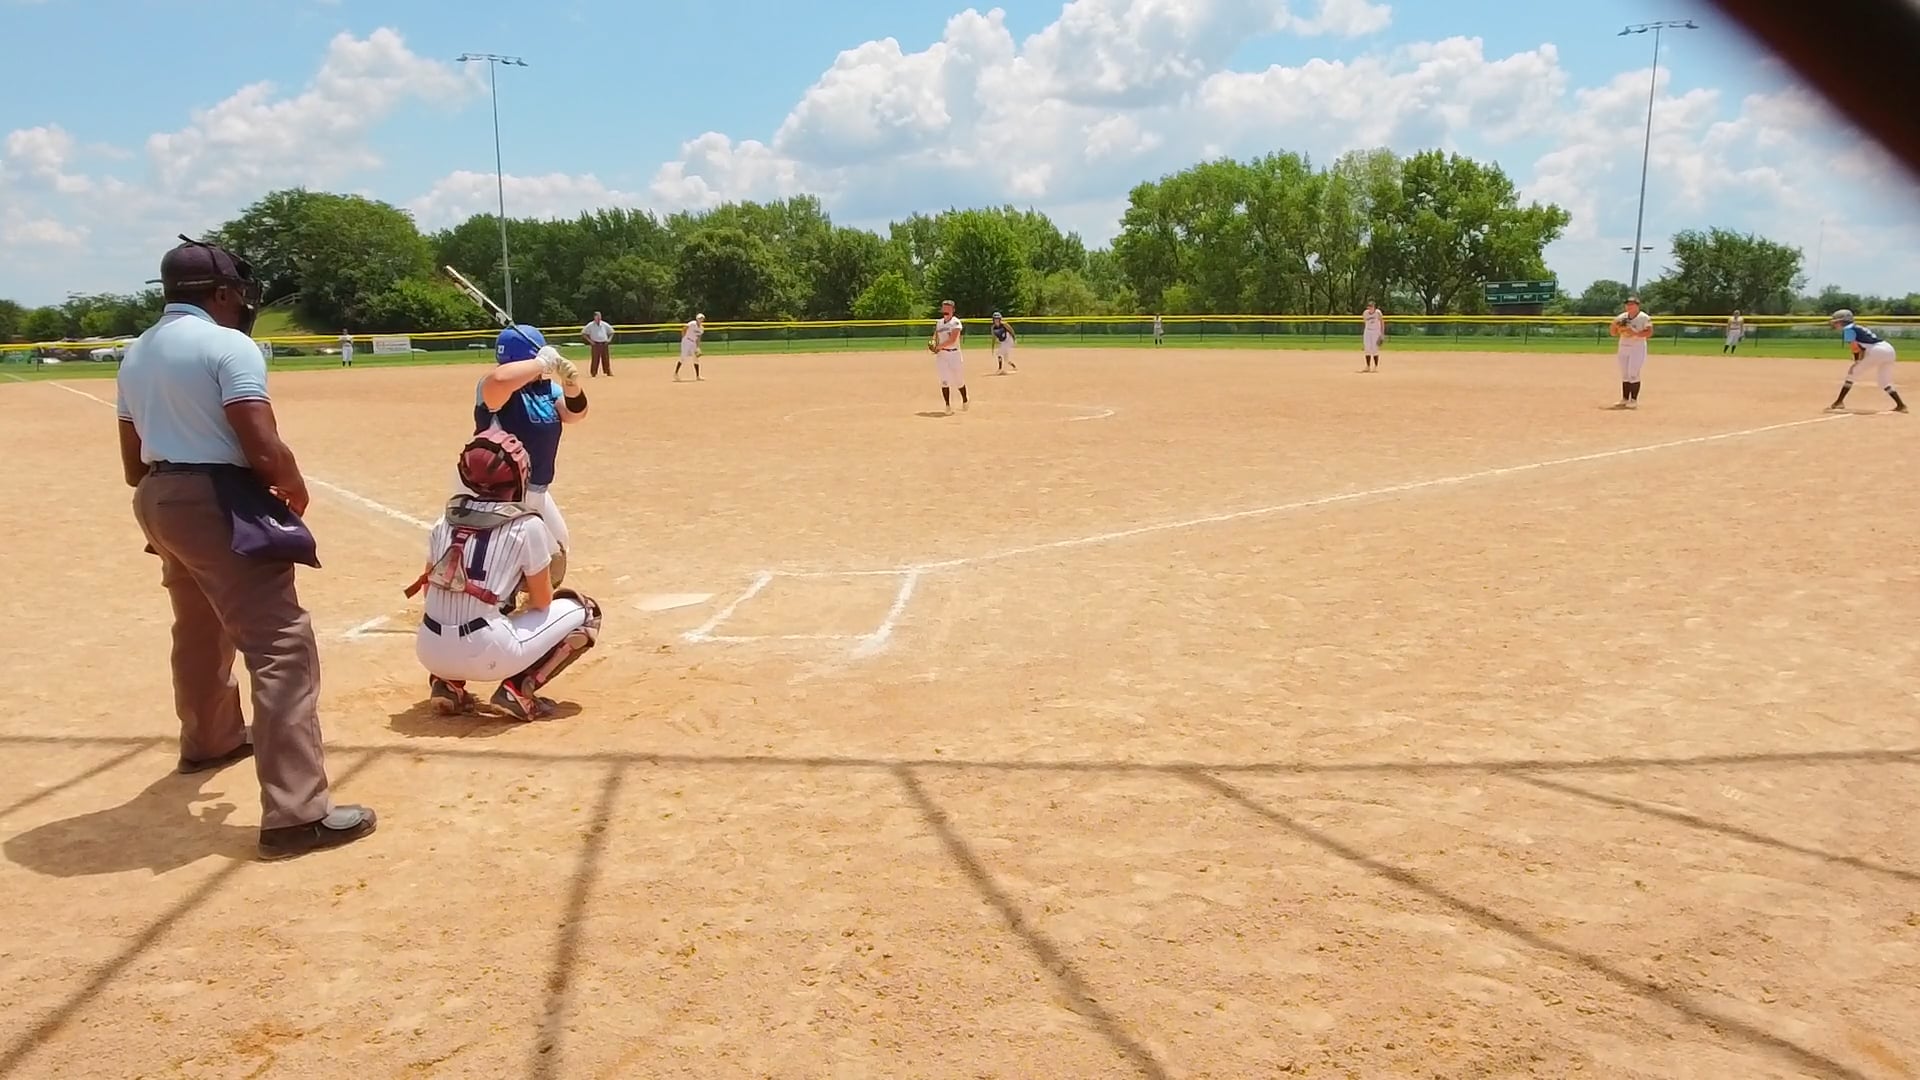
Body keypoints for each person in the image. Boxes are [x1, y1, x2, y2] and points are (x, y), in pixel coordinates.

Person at [115, 235, 376, 860]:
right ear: (222, 293)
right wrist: (292, 484)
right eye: (238, 292)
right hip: (217, 499)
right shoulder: (228, 345)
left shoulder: (136, 352)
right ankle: (296, 813)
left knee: (198, 624)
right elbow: (260, 442)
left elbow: (131, 464)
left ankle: (209, 738)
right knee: (281, 644)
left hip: (156, 497)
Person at [409, 429, 603, 720]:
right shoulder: (527, 525)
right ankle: (519, 689)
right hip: (488, 654)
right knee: (587, 612)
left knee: (479, 602)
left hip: (429, 650)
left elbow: (429, 590)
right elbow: (542, 601)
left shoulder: (445, 520)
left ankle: (446, 683)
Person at [472, 324, 588, 589]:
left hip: (536, 488)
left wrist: (571, 385)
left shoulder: (546, 390)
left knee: (557, 548)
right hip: (502, 491)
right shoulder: (492, 388)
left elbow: (575, 414)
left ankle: (519, 592)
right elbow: (500, 380)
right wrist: (542, 362)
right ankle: (500, 597)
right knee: (527, 554)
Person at [1826, 309, 1908, 413]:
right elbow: (1863, 347)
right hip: (1889, 349)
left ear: (1842, 321)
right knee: (1884, 381)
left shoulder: (1848, 330)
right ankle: (1901, 405)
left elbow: (1855, 348)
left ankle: (1839, 402)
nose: (1835, 324)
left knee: (1852, 373)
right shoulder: (1857, 327)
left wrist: (1856, 361)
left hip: (1877, 351)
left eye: (1836, 322)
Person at [1608, 296, 1655, 409]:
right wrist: (1615, 326)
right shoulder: (1621, 317)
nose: (1629, 306)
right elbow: (1613, 333)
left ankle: (1633, 400)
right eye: (1627, 304)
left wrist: (1634, 333)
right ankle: (1624, 399)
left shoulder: (1643, 317)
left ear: (1637, 306)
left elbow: (1649, 333)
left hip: (1637, 347)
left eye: (1632, 304)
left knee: (1633, 373)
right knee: (1625, 374)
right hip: (1623, 346)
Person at [932, 299, 968, 413]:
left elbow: (952, 340)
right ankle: (947, 405)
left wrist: (938, 347)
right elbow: (935, 336)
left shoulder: (955, 323)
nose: (945, 311)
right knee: (944, 380)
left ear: (953, 310)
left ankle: (965, 400)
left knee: (959, 381)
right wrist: (933, 343)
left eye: (948, 308)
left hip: (954, 354)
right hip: (942, 355)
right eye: (944, 308)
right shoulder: (939, 323)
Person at [583, 312, 614, 378]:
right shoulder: (590, 325)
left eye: (600, 316)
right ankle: (593, 373)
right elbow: (584, 333)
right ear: (594, 317)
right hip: (595, 344)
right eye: (598, 316)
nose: (599, 318)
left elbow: (612, 332)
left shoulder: (604, 324)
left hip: (604, 343)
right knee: (595, 359)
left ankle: (608, 371)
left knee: (606, 358)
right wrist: (590, 341)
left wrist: (609, 339)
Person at [676, 313, 705, 381]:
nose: (701, 320)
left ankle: (698, 376)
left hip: (693, 343)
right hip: (686, 341)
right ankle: (676, 373)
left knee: (695, 358)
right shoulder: (692, 323)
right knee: (683, 357)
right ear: (697, 319)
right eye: (699, 318)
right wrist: (683, 338)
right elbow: (684, 329)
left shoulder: (701, 328)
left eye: (702, 318)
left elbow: (698, 338)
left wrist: (698, 347)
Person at [1361, 300, 1386, 372]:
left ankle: (1376, 366)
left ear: (1374, 307)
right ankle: (1368, 366)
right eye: (1369, 306)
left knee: (1375, 349)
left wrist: (1382, 334)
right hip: (1367, 331)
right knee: (1367, 349)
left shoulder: (1378, 313)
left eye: (1371, 306)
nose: (1370, 308)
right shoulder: (1365, 313)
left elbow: (1382, 322)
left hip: (1376, 332)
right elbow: (1365, 322)